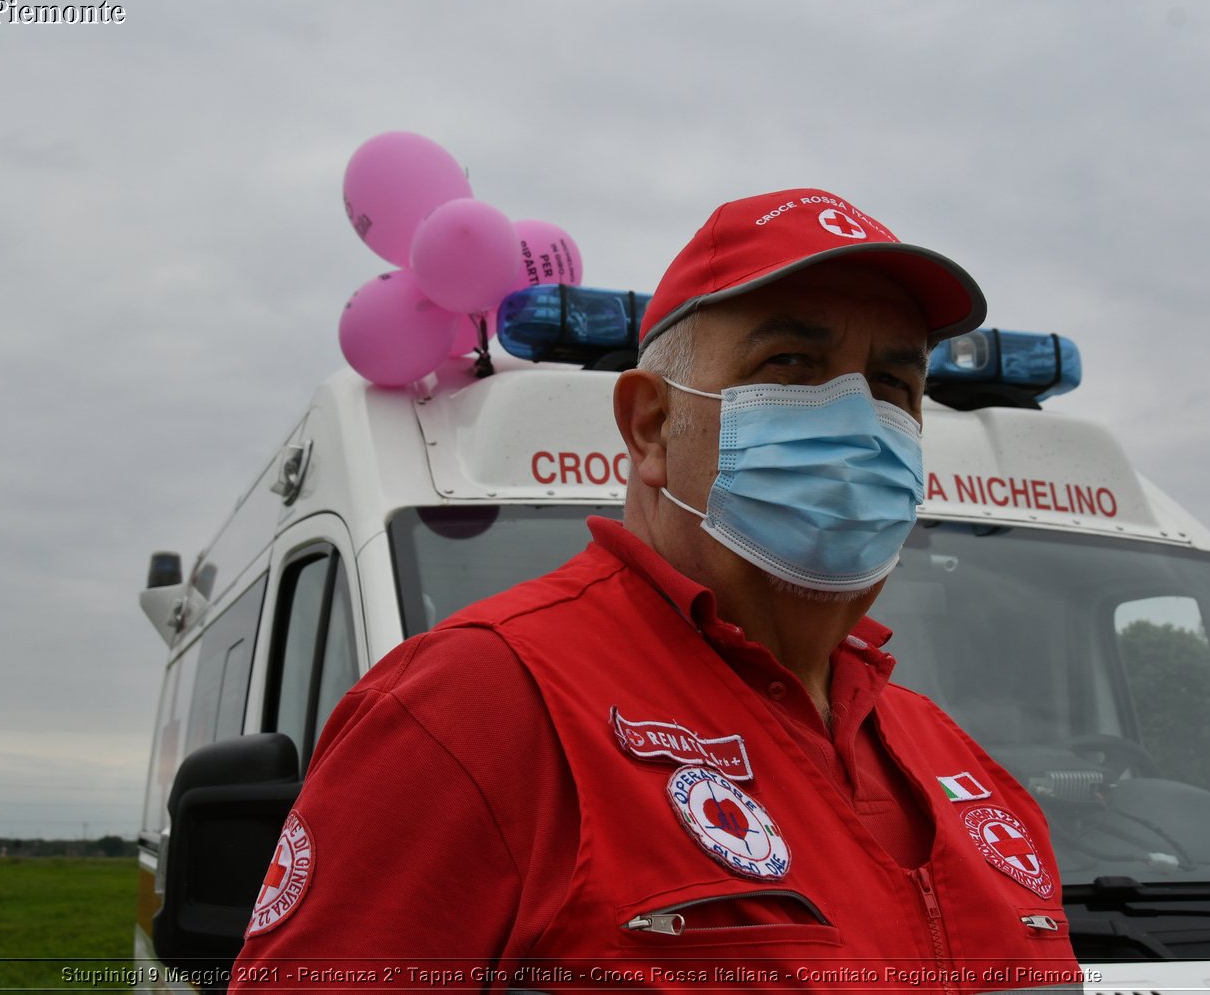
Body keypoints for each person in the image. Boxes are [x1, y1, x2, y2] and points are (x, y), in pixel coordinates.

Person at [230, 189, 1082, 992]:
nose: (856, 419)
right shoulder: (480, 707)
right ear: (649, 425)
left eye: (893, 386)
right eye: (792, 364)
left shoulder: (963, 770)